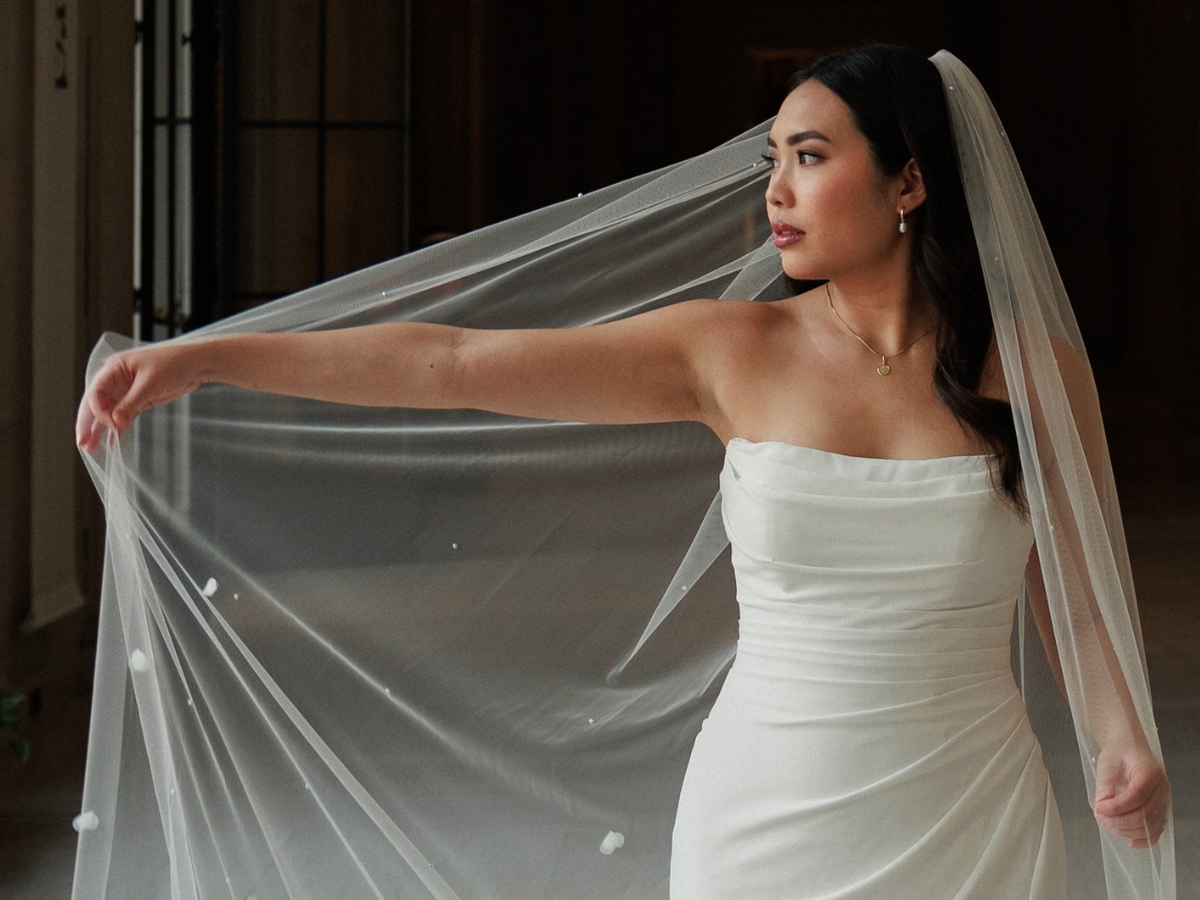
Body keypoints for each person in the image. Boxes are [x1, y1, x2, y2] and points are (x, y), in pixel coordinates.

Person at [75, 45, 1172, 900]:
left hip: (969, 811)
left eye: (811, 156)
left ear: (911, 181)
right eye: (771, 161)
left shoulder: (1028, 372)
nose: (776, 192)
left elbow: (1074, 601)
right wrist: (207, 358)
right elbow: (456, 363)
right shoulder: (729, 351)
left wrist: (1123, 742)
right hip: (767, 812)